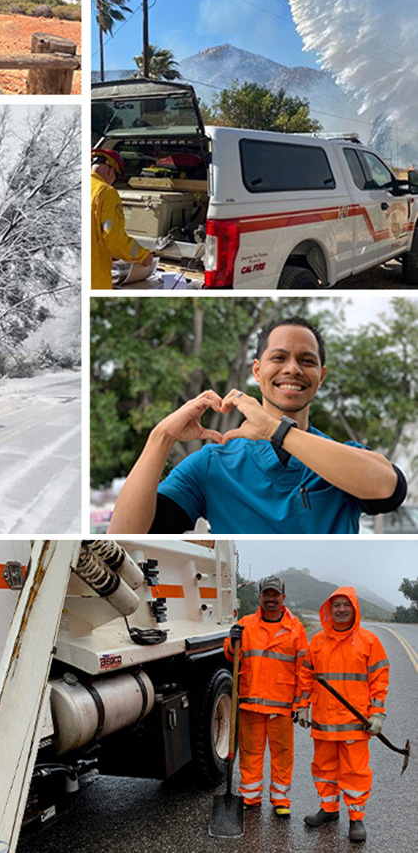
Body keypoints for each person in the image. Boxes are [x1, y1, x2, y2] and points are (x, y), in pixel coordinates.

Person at [108, 317, 407, 537]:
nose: (293, 369)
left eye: (307, 361)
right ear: (256, 369)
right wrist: (161, 437)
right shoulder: (211, 464)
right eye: (279, 357)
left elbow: (390, 488)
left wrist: (276, 430)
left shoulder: (341, 458)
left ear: (321, 376)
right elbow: (125, 535)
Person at [298, 587, 388, 843]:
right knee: (323, 767)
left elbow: (379, 681)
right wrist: (302, 706)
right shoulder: (317, 641)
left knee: (354, 771)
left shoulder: (369, 641)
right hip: (324, 721)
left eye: (346, 605)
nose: (341, 610)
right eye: (336, 605)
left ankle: (356, 818)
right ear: (329, 609)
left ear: (354, 608)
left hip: (354, 722)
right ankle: (328, 809)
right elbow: (306, 676)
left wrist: (377, 714)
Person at [223, 575, 309, 816]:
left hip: (281, 706)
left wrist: (302, 704)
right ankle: (251, 796)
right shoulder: (246, 625)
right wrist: (231, 642)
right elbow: (231, 656)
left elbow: (304, 670)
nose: (271, 599)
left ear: (283, 597)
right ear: (260, 597)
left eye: (275, 594)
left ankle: (280, 800)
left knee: (282, 754)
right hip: (250, 703)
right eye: (267, 594)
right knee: (250, 752)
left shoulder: (296, 629)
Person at [91, 147, 151, 289]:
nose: (114, 182)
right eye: (117, 177)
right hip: (95, 278)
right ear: (111, 171)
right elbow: (113, 238)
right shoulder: (106, 192)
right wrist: (143, 256)